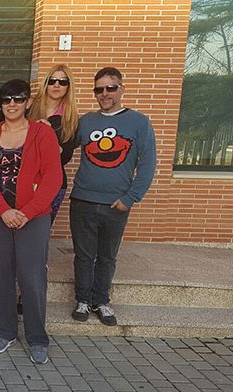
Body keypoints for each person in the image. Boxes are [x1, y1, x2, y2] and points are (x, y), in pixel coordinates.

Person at [0, 79, 62, 364]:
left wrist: (28, 212)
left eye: (18, 98)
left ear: (28, 102)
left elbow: (53, 177)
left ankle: (37, 338)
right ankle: (5, 331)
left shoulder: (42, 133)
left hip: (32, 217)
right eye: (6, 99)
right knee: (2, 275)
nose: (12, 104)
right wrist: (3, 211)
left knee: (32, 277)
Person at [70, 67, 157, 326]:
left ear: (121, 89)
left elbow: (148, 164)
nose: (104, 93)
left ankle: (101, 301)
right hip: (83, 200)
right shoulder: (86, 122)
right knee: (84, 256)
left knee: (107, 256)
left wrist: (131, 198)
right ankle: (83, 300)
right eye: (99, 89)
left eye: (110, 87)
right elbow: (62, 145)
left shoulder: (139, 122)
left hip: (116, 204)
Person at [28, 64, 79, 223]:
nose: (57, 85)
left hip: (53, 183)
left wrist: (48, 136)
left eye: (63, 82)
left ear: (68, 86)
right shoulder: (29, 106)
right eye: (52, 80)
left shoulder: (70, 118)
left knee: (41, 231)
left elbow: (65, 157)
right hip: (24, 179)